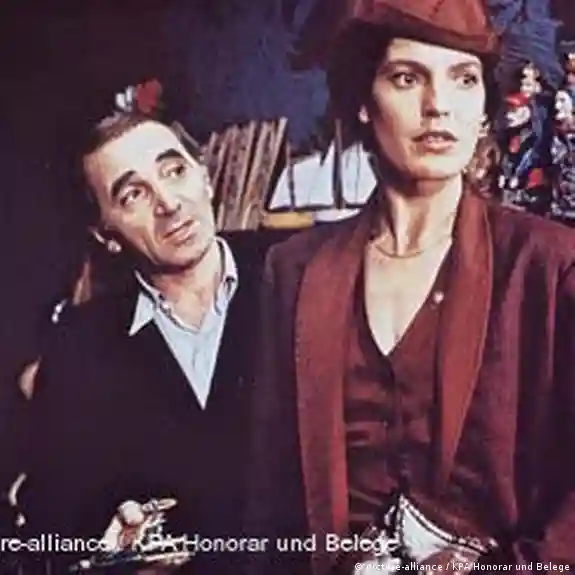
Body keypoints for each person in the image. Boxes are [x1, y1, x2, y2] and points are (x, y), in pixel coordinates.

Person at [245, 1, 575, 574]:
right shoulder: (293, 271)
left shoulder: (548, 265)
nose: (438, 104)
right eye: (406, 77)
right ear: (363, 102)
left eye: (463, 79)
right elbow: (268, 497)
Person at [19, 79, 265, 574]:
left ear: (205, 177)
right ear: (106, 235)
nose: (168, 202)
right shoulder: (78, 348)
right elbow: (52, 525)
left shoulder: (296, 280)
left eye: (174, 171)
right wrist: (109, 553)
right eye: (133, 194)